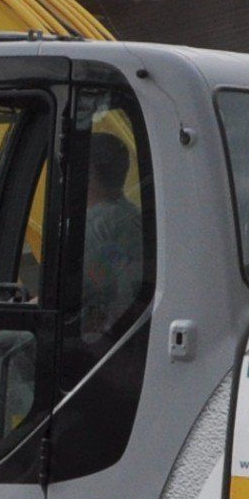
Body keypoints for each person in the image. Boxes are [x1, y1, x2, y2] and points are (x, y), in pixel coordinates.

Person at [80, 129, 146, 340]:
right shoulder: (132, 217)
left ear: (88, 175)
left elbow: (67, 293)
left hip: (98, 340)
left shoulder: (95, 226)